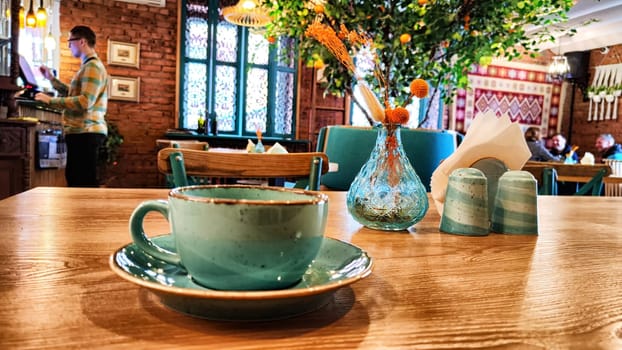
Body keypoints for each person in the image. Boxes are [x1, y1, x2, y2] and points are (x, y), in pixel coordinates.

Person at [35, 26, 108, 187]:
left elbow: (85, 101)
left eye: (70, 41)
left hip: (86, 131)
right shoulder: (88, 67)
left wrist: (50, 101)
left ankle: (85, 213)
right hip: (83, 131)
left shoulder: (92, 67)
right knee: (77, 180)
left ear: (82, 41)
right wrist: (51, 79)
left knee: (81, 183)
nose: (68, 45)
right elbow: (73, 93)